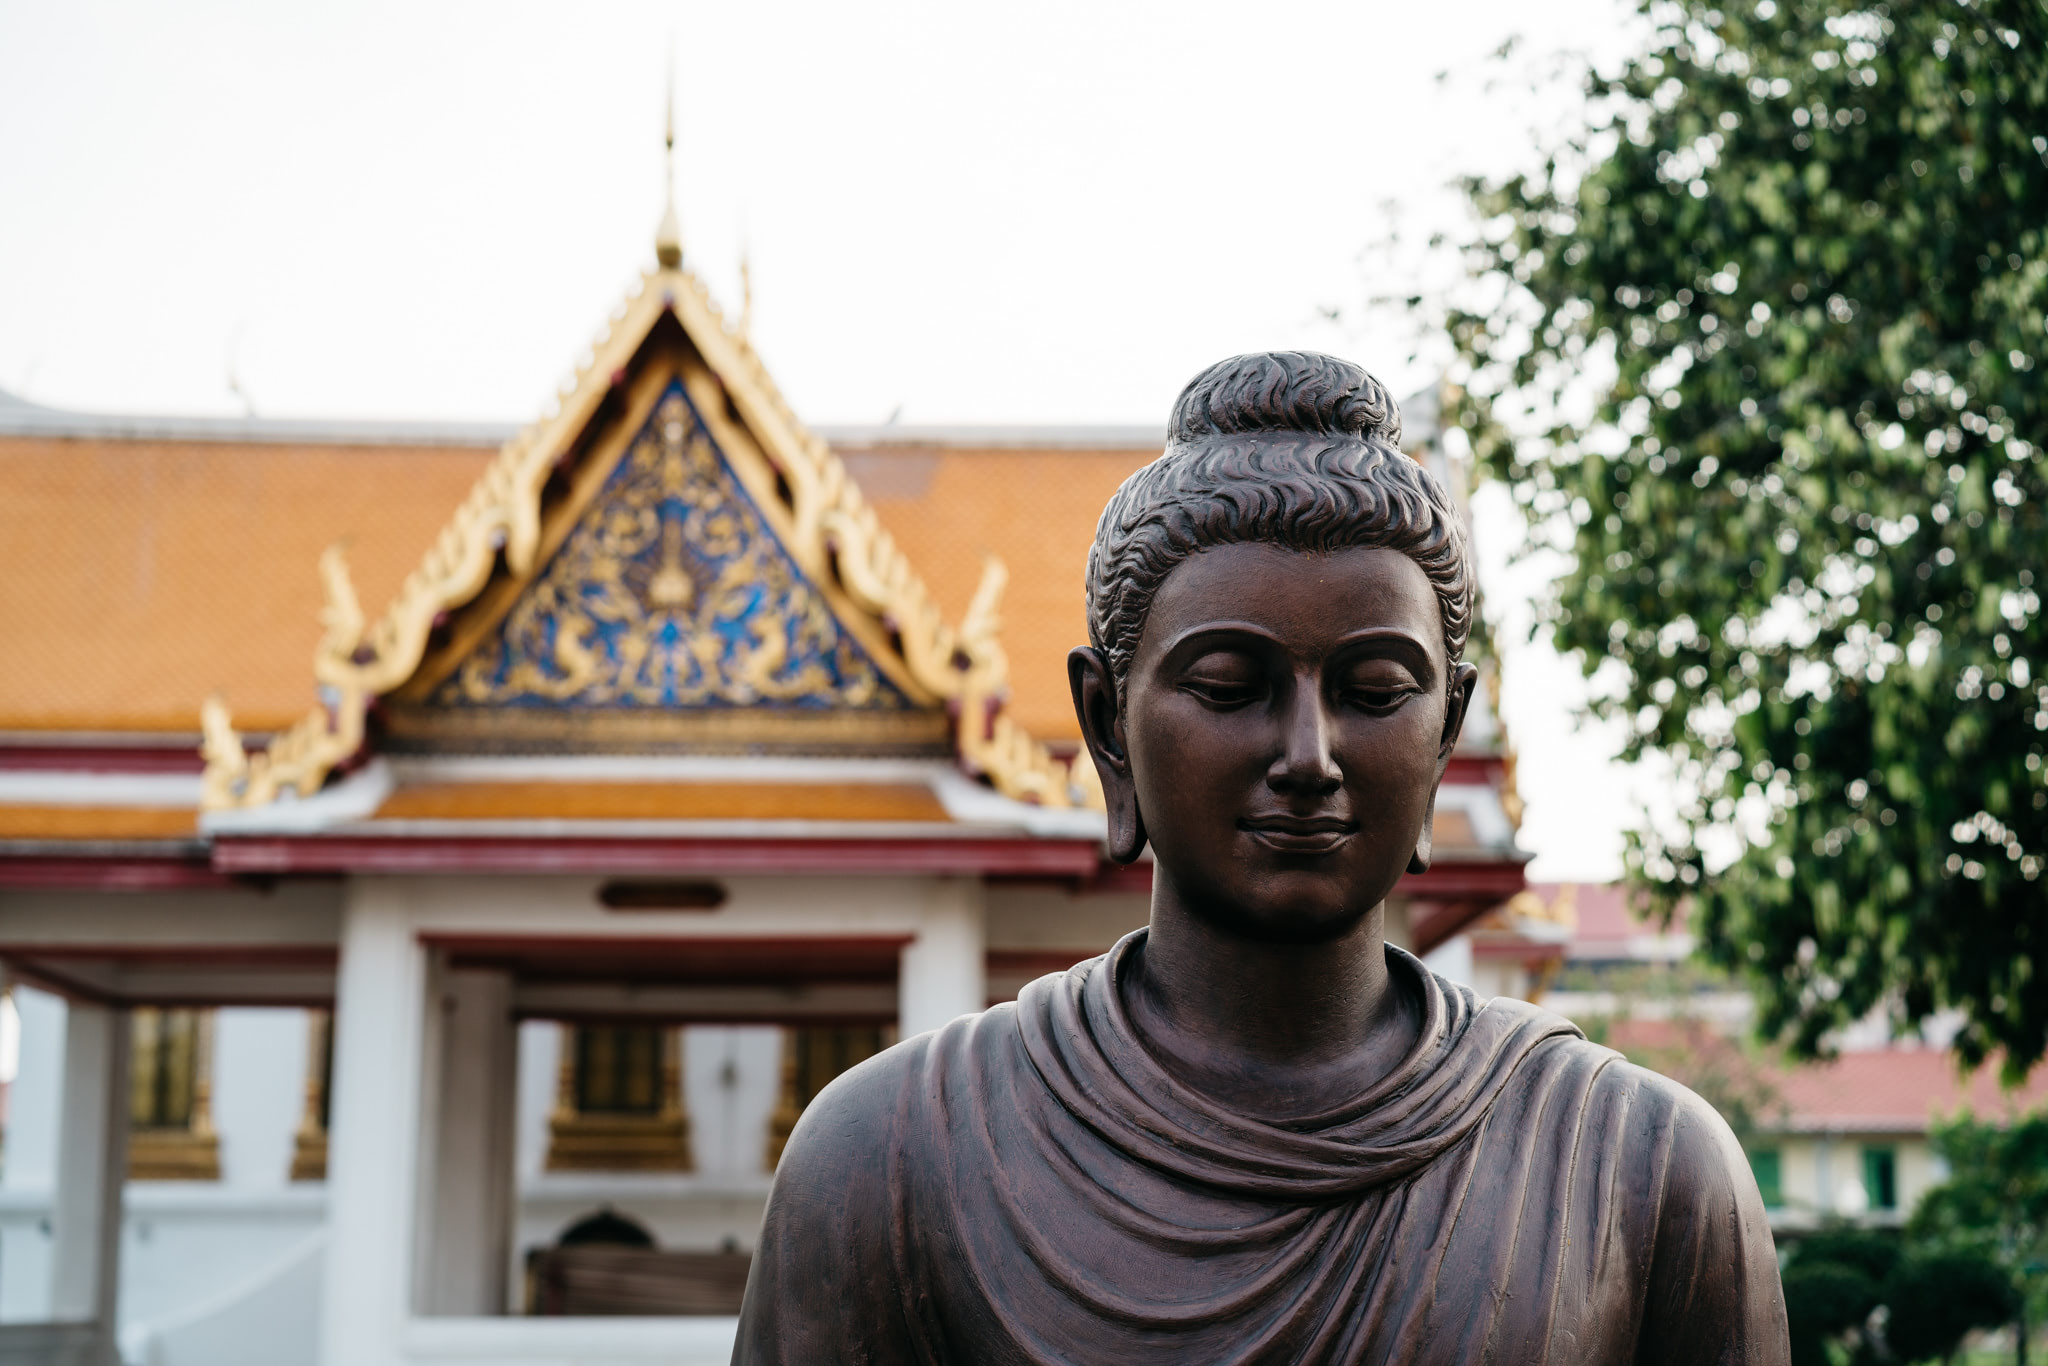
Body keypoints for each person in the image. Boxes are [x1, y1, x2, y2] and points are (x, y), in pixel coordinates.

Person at [733, 351, 1789, 1364]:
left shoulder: (1639, 1166)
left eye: (1374, 692)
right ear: (1106, 726)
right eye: (1228, 687)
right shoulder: (889, 1157)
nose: (1307, 756)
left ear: (1444, 730)